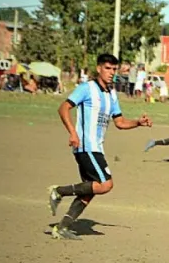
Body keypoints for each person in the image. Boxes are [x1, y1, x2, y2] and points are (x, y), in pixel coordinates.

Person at [46, 54, 152, 240]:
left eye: (114, 69)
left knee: (89, 191)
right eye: (107, 68)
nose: (111, 73)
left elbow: (119, 122)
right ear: (99, 68)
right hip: (86, 146)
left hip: (97, 148)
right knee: (105, 185)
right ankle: (59, 191)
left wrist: (138, 122)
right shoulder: (87, 88)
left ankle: (62, 228)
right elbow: (63, 108)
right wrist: (72, 132)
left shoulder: (111, 94)